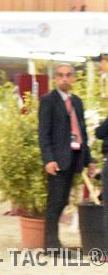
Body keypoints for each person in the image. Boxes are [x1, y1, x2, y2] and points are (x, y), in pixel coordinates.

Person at [38, 63, 95, 250]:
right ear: (56, 78)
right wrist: (49, 159)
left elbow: (82, 133)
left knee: (63, 200)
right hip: (57, 160)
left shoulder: (77, 102)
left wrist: (89, 160)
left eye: (68, 75)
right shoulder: (48, 101)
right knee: (55, 201)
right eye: (61, 75)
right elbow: (43, 133)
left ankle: (54, 242)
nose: (64, 78)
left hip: (75, 157)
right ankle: (51, 244)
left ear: (73, 78)